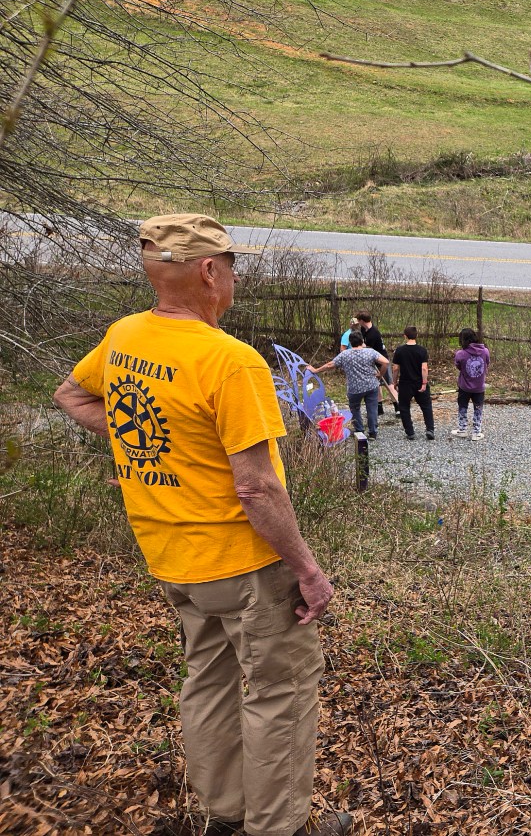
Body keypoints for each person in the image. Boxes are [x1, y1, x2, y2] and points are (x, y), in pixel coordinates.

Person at [52, 214, 350, 836]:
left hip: (170, 555)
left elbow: (74, 396)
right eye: (232, 266)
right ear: (210, 273)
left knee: (208, 683)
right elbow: (256, 486)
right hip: (244, 564)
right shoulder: (230, 362)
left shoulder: (126, 336)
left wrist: (145, 449)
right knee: (280, 694)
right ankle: (277, 827)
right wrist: (308, 570)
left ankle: (223, 815)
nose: (234, 278)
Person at [308, 330, 389, 439]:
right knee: (372, 409)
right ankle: (373, 432)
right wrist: (380, 375)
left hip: (354, 388)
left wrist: (316, 370)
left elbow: (330, 365)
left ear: (350, 342)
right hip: (371, 385)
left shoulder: (344, 354)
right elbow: (386, 362)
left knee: (355, 409)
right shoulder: (370, 352)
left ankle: (359, 430)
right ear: (362, 341)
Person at [391, 325, 435, 440]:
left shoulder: (399, 351)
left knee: (404, 407)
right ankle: (430, 429)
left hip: (405, 383)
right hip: (419, 382)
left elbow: (395, 369)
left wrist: (394, 382)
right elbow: (424, 368)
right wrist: (424, 383)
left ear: (405, 336)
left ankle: (410, 432)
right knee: (426, 406)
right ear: (417, 336)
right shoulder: (422, 350)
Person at [355, 311, 399, 418]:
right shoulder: (363, 330)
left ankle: (398, 407)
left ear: (361, 321)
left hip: (382, 361)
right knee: (377, 384)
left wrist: (363, 346)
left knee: (389, 384)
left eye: (359, 321)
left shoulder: (374, 333)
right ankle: (379, 408)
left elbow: (368, 348)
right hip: (372, 361)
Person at [451, 327, 490, 441]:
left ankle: (462, 429)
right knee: (478, 408)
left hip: (464, 386)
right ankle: (476, 432)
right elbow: (487, 363)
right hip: (479, 387)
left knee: (462, 407)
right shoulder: (485, 351)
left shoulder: (460, 354)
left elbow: (458, 366)